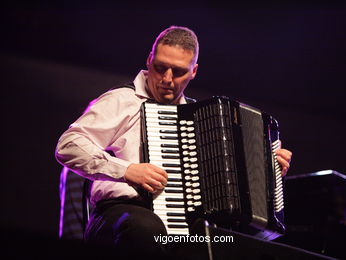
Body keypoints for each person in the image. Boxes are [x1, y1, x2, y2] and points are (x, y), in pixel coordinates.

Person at [55, 25, 292, 257]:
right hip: (121, 217)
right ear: (149, 60)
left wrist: (268, 171)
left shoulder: (200, 117)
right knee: (147, 229)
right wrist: (127, 170)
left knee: (229, 244)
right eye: (160, 68)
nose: (167, 79)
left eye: (178, 72)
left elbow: (227, 184)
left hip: (187, 226)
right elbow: (69, 145)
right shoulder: (122, 100)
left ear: (194, 71)